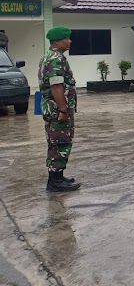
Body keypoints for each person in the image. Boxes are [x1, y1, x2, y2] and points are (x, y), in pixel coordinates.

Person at [38, 26, 80, 192]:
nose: (70, 41)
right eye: (66, 39)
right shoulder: (56, 59)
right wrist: (63, 110)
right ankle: (55, 182)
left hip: (53, 108)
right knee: (60, 142)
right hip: (57, 109)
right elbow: (56, 86)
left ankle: (58, 177)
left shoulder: (49, 57)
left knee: (57, 142)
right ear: (56, 41)